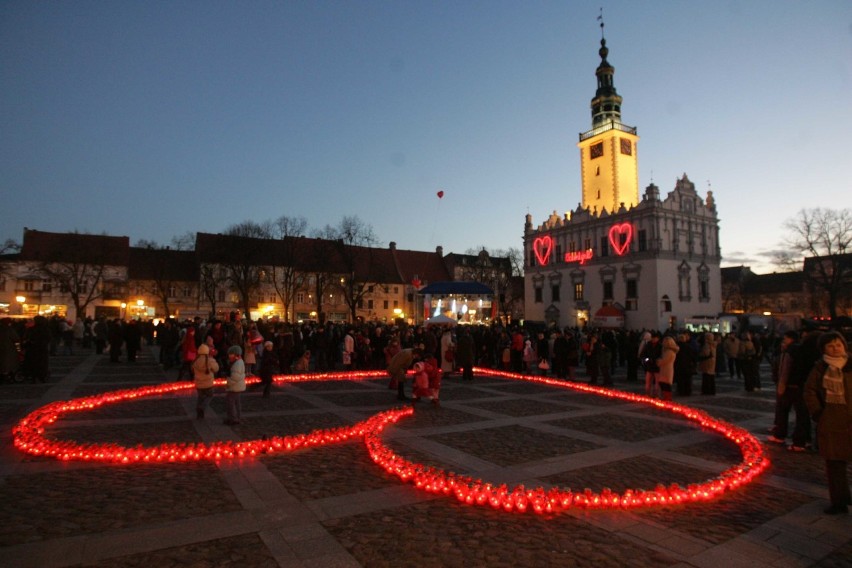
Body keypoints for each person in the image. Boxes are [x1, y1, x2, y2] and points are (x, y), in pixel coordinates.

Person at [803, 331, 852, 515]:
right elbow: (809, 391)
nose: (835, 348)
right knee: (834, 464)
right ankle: (839, 501)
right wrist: (817, 412)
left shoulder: (851, 365)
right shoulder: (820, 368)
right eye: (830, 346)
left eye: (838, 344)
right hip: (831, 419)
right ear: (823, 349)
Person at [768, 330, 811, 451]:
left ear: (790, 339)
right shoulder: (804, 349)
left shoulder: (790, 351)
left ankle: (782, 436)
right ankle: (803, 440)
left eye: (785, 339)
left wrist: (781, 386)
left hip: (790, 387)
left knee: (783, 411)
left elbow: (785, 369)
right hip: (801, 386)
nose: (783, 341)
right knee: (802, 414)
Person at [192, 343, 219, 419]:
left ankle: (199, 411)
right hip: (208, 384)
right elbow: (216, 368)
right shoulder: (209, 360)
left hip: (199, 384)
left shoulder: (196, 361)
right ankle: (202, 407)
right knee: (209, 396)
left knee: (200, 397)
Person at [224, 345, 246, 425]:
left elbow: (235, 377)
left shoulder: (237, 364)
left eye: (231, 354)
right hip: (237, 386)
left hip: (234, 387)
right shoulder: (238, 362)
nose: (229, 356)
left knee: (231, 403)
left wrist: (228, 383)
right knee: (236, 403)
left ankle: (233, 418)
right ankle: (236, 417)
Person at [656, 335, 679, 401]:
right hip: (666, 368)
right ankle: (666, 397)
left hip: (666, 369)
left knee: (665, 384)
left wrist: (658, 361)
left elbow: (664, 361)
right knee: (664, 383)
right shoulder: (668, 351)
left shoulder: (669, 352)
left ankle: (667, 398)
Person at [640, 332, 662, 398]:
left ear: (658, 339)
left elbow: (661, 356)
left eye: (655, 338)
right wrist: (647, 360)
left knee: (657, 382)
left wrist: (656, 360)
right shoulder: (648, 345)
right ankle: (648, 394)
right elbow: (643, 355)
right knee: (648, 382)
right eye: (652, 338)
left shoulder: (660, 346)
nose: (653, 339)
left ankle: (656, 395)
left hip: (657, 366)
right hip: (649, 366)